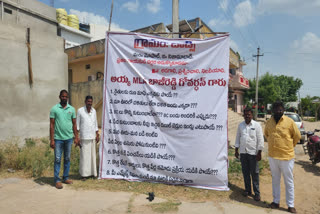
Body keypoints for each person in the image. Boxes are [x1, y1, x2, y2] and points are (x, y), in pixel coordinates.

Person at [264, 101, 301, 213]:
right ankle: (276, 201)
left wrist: (289, 146)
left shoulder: (290, 122)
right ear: (272, 111)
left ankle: (290, 205)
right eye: (276, 109)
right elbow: (266, 135)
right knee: (275, 180)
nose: (278, 111)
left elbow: (297, 136)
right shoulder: (268, 122)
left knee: (288, 181)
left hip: (287, 157)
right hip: (273, 156)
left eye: (280, 109)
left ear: (283, 110)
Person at [50, 89, 79, 189]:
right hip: (58, 139)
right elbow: (51, 125)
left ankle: (65, 177)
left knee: (67, 158)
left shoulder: (72, 109)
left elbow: (74, 124)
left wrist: (76, 137)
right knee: (57, 159)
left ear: (68, 98)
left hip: (69, 138)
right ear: (59, 97)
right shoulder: (54, 109)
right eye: (62, 96)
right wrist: (52, 140)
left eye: (66, 96)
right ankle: (57, 180)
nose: (64, 98)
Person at [235, 107, 264, 201]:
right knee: (245, 172)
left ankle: (257, 193)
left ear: (252, 115)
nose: (247, 116)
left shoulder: (257, 125)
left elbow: (260, 139)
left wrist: (259, 152)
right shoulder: (241, 125)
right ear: (243, 115)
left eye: (249, 114)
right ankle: (248, 190)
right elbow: (238, 137)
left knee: (254, 173)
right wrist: (236, 149)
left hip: (253, 153)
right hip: (243, 153)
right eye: (246, 114)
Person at [76, 95, 99, 180]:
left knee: (92, 156)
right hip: (84, 137)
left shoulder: (94, 111)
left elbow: (95, 124)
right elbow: (77, 125)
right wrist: (77, 137)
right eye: (88, 101)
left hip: (92, 136)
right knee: (85, 157)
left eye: (91, 102)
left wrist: (97, 134)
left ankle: (93, 173)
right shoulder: (80, 111)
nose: (89, 103)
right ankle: (84, 175)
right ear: (85, 102)